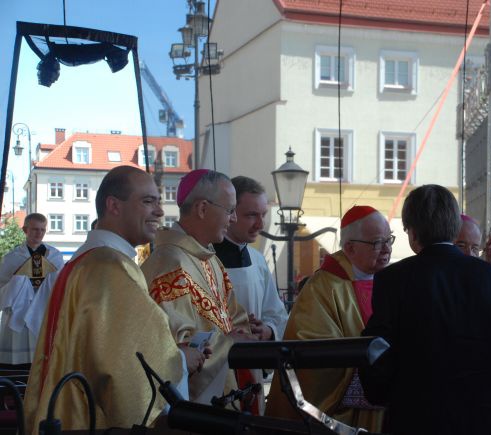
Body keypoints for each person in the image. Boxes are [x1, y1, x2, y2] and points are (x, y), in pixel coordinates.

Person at [23, 166, 199, 433]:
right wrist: (182, 359)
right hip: (91, 421)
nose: (160, 211)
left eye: (159, 201)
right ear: (114, 205)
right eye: (148, 201)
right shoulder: (110, 266)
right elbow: (129, 366)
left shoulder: (88, 259)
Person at [359, 185, 491, 435]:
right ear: (452, 228)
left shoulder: (392, 279)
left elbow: (377, 349)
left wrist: (383, 394)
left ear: (413, 233)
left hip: (415, 418)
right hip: (484, 419)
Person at [265, 206, 392, 432]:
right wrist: (372, 378)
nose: (387, 249)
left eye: (389, 240)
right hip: (344, 419)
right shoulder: (323, 288)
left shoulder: (393, 282)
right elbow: (312, 358)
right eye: (377, 243)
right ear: (350, 248)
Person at [141, 169, 257, 409]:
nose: (233, 219)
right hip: (196, 409)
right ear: (203, 209)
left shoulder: (211, 260)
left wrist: (247, 333)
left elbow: (235, 319)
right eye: (230, 210)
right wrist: (228, 344)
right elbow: (172, 352)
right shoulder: (169, 265)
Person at [213, 176, 288, 342]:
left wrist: (267, 330)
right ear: (230, 213)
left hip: (256, 358)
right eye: (251, 215)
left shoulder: (258, 260)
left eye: (263, 214)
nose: (260, 225)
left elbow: (276, 314)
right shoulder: (205, 259)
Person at [0, 213, 63, 367]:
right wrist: (18, 282)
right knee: (19, 366)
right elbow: (2, 286)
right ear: (25, 230)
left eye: (42, 230)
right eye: (35, 229)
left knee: (43, 362)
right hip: (19, 311)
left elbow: (62, 284)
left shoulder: (54, 256)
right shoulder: (12, 257)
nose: (39, 233)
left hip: (44, 311)